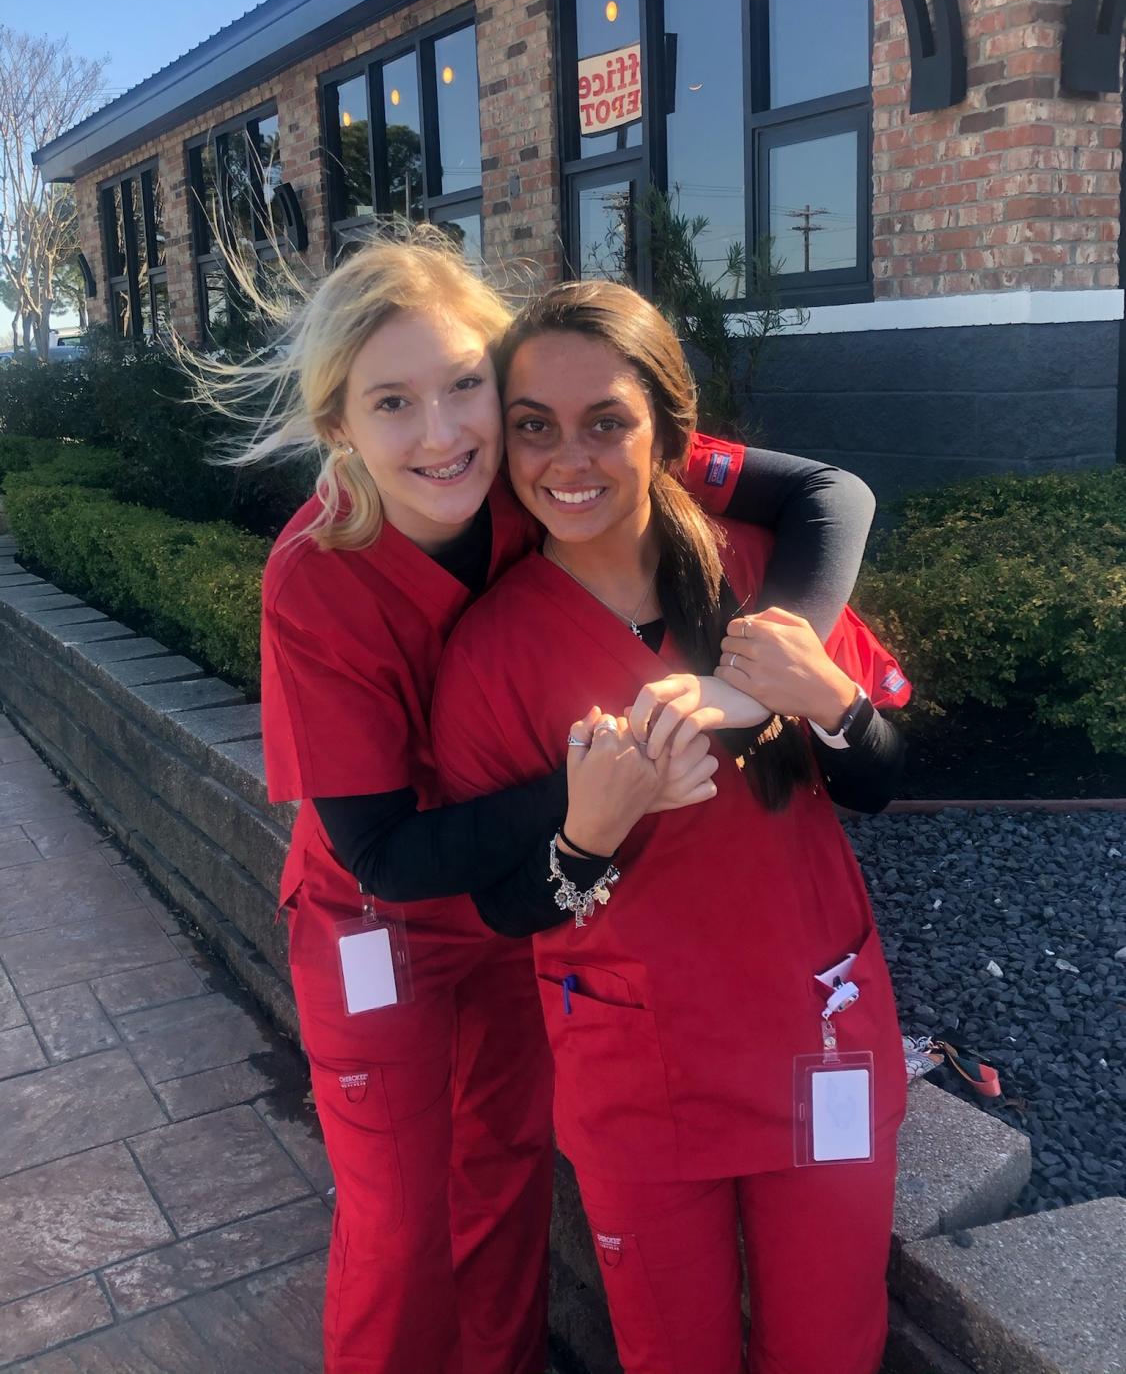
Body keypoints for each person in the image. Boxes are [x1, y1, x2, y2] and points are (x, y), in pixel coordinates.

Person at [203, 225, 881, 1374]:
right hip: (388, 923)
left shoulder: (543, 470)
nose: (441, 431)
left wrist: (769, 677)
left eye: (466, 384)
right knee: (400, 1216)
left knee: (506, 1172)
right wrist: (595, 791)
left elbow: (826, 492)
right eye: (392, 403)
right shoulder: (316, 577)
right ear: (338, 427)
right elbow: (387, 852)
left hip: (535, 894)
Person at [432, 279, 910, 1374]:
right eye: (533, 428)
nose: (570, 459)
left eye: (606, 421)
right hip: (640, 1081)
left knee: (830, 1348)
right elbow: (503, 905)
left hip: (815, 1043)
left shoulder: (761, 577)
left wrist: (822, 696)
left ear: (666, 434)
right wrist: (585, 835)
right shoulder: (490, 656)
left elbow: (883, 780)